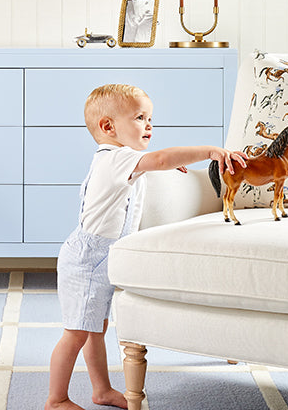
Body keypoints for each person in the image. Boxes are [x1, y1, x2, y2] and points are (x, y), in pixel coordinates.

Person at [45, 84, 247, 410]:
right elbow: (160, 158)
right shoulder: (115, 159)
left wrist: (161, 166)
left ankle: (101, 390)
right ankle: (56, 400)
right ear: (108, 127)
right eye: (140, 117)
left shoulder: (124, 160)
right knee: (76, 332)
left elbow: (155, 164)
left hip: (104, 257)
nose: (150, 125)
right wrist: (209, 151)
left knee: (96, 328)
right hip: (87, 258)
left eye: (150, 117)